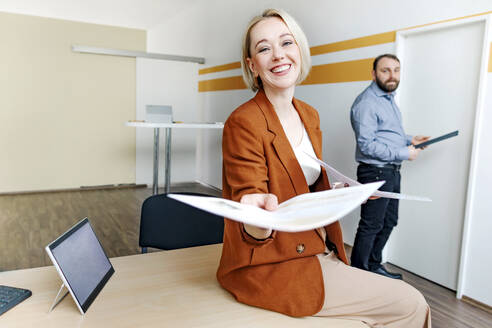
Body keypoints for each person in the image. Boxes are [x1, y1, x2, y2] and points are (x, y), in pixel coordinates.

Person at [217, 9, 431, 327]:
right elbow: (250, 195)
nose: (278, 55)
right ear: (252, 65)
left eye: (286, 42)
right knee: (411, 303)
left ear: (299, 50)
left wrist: (340, 193)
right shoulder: (244, 121)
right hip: (272, 261)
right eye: (263, 48)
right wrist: (255, 217)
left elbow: (303, 182)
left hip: (319, 247)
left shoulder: (309, 114)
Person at [350, 54, 429, 279]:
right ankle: (359, 274)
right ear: (374, 74)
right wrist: (404, 152)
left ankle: (373, 266)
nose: (392, 75)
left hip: (391, 171)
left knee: (389, 221)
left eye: (396, 70)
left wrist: (410, 139)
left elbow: (386, 134)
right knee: (371, 224)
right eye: (385, 70)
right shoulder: (367, 102)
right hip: (375, 172)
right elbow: (366, 145)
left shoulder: (388, 98)